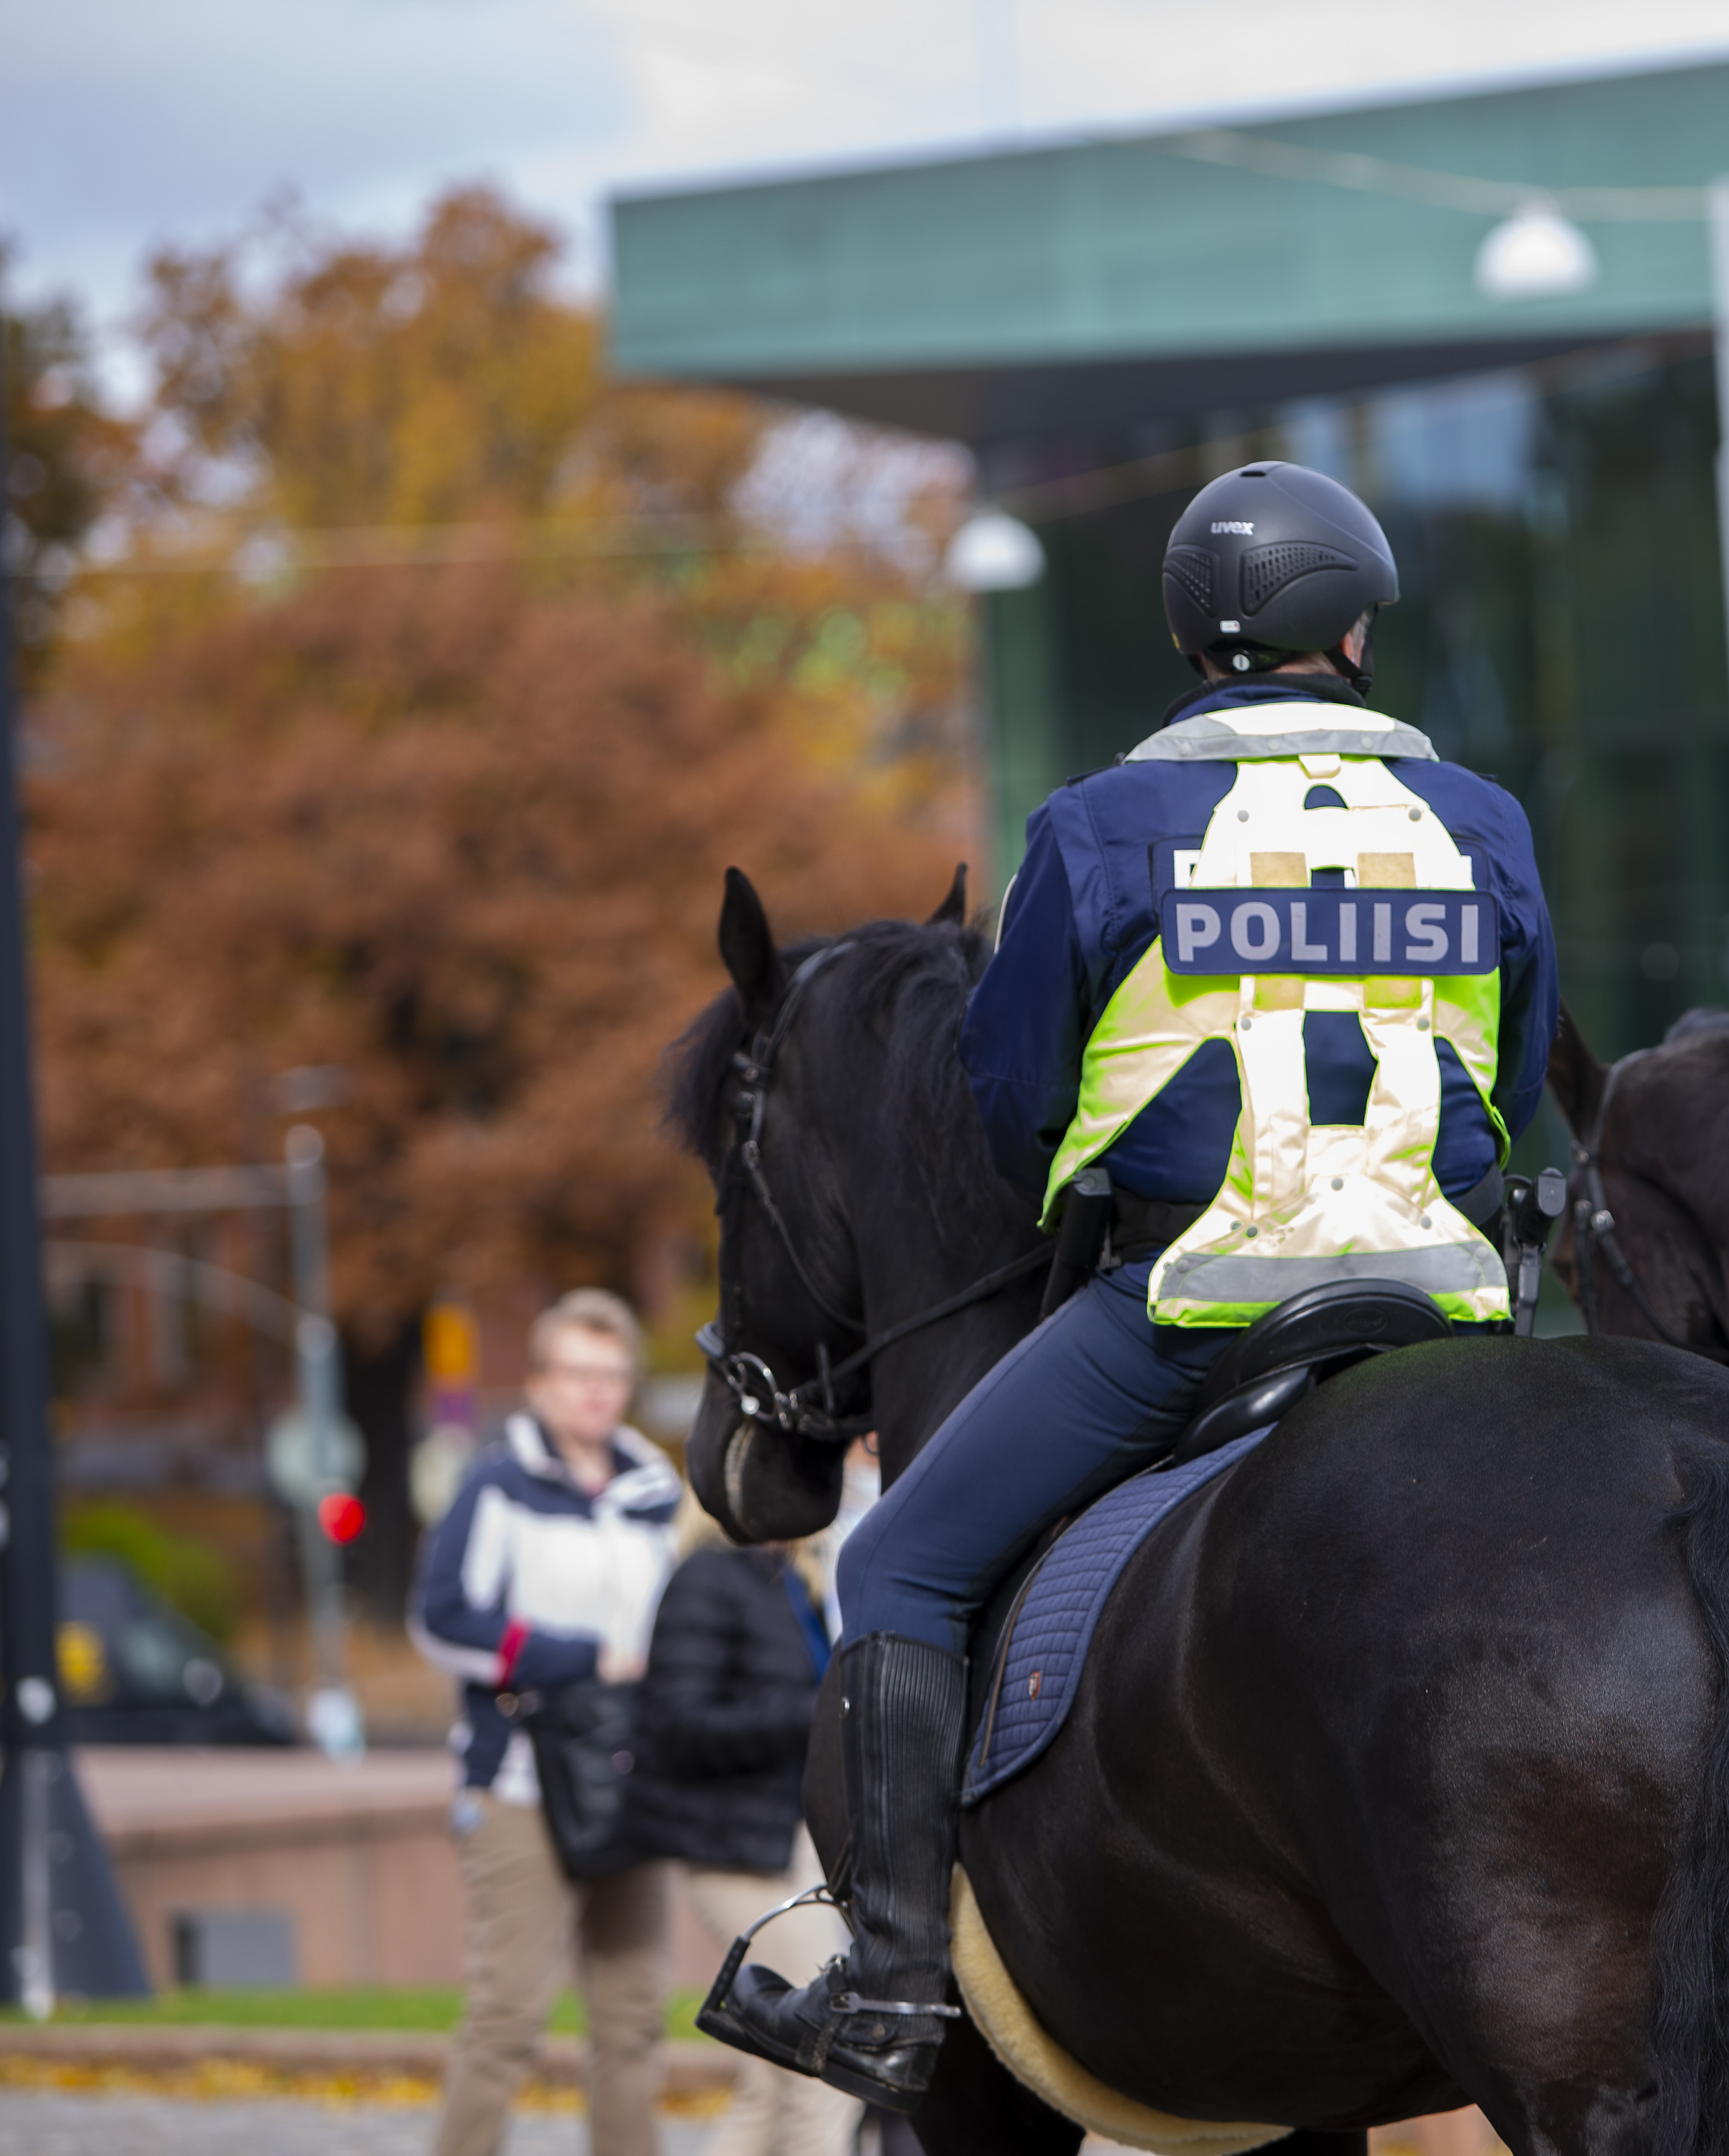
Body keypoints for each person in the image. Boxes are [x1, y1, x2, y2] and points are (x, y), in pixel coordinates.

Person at [708, 460, 1560, 2107]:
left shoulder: (1097, 825)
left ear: (1192, 635)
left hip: (1195, 1305)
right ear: (1358, 624)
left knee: (895, 1565)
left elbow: (1015, 1092)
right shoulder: (1483, 820)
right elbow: (1512, 1077)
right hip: (1444, 1307)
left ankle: (889, 1994)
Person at [410, 1288, 679, 2156]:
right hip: (521, 1780)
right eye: (576, 1373)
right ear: (536, 1382)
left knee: (633, 2018)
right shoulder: (498, 1483)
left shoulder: (655, 1491)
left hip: (631, 1775)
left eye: (611, 1374)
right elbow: (442, 1619)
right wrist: (577, 1655)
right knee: (507, 2020)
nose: (595, 1392)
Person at [631, 1507, 861, 2156]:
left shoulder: (794, 1575)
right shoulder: (707, 1577)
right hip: (735, 1850)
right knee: (832, 2052)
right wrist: (816, 1711)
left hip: (795, 1841)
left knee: (771, 2079)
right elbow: (677, 1723)